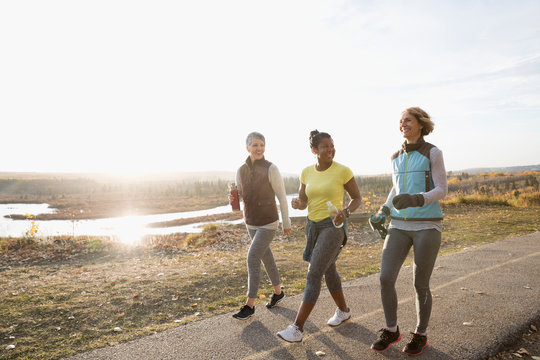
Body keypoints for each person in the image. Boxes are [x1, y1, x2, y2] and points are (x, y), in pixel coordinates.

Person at [370, 107, 448, 356]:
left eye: (408, 120)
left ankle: (420, 334)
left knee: (420, 284)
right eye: (401, 121)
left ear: (421, 124)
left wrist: (416, 199)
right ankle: (391, 329)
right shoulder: (395, 156)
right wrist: (383, 210)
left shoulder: (432, 152)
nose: (403, 124)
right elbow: (396, 190)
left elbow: (441, 189)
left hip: (427, 225)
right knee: (385, 278)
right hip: (399, 226)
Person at [277, 130, 361, 342]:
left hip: (334, 226)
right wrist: (298, 204)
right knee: (328, 269)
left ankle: (297, 328)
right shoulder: (306, 172)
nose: (330, 149)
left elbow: (357, 198)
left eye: (332, 145)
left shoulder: (343, 171)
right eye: (325, 146)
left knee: (314, 273)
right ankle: (344, 310)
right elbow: (304, 201)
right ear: (315, 150)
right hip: (313, 226)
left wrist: (346, 212)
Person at [232, 132, 292, 320]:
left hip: (268, 222)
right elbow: (241, 193)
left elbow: (282, 196)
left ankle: (250, 305)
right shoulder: (240, 170)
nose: (259, 148)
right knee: (266, 257)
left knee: (252, 258)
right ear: (247, 148)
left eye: (262, 145)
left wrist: (286, 223)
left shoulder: (271, 168)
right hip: (250, 221)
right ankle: (278, 292)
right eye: (255, 145)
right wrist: (234, 198)